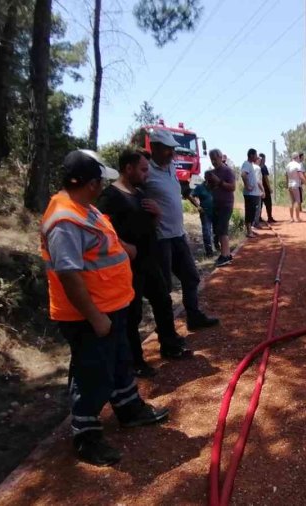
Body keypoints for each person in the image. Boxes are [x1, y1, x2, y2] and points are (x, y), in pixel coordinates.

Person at [41, 149, 169, 466]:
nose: (103, 187)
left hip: (113, 306)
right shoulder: (64, 220)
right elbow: (69, 275)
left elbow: (106, 242)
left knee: (120, 361)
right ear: (91, 183)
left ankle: (129, 409)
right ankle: (86, 435)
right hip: (89, 316)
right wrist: (96, 318)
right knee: (92, 373)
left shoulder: (86, 209)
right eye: (100, 181)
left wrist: (127, 249)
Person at [97, 149, 192, 378]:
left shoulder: (139, 194)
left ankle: (170, 344)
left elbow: (149, 225)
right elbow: (102, 232)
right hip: (127, 266)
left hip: (149, 260)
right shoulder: (110, 198)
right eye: (142, 169)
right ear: (128, 168)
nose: (146, 174)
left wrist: (157, 215)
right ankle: (136, 361)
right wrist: (124, 247)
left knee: (163, 300)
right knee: (133, 314)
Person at [142, 128, 219, 331]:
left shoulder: (171, 167)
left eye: (173, 149)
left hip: (178, 234)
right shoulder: (146, 172)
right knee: (163, 288)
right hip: (160, 238)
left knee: (191, 277)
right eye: (167, 149)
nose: (172, 153)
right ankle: (166, 332)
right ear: (155, 148)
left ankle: (193, 317)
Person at [205, 148, 235, 268]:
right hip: (216, 204)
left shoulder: (227, 171)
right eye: (211, 159)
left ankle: (225, 256)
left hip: (226, 204)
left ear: (220, 157)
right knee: (219, 230)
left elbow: (232, 187)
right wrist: (208, 181)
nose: (213, 162)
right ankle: (226, 254)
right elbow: (210, 189)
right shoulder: (212, 172)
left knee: (223, 229)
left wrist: (219, 182)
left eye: (215, 159)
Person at [190, 174, 215, 256]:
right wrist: (198, 206)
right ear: (206, 179)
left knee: (217, 231)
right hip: (205, 213)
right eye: (210, 181)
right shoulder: (200, 187)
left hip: (216, 212)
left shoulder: (215, 186)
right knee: (207, 232)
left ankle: (218, 247)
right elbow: (191, 196)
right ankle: (209, 252)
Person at [240, 148, 263, 237]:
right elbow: (243, 174)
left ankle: (250, 230)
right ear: (251, 155)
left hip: (253, 194)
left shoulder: (250, 165)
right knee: (249, 212)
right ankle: (249, 232)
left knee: (252, 213)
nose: (257, 157)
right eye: (255, 155)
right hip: (250, 194)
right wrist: (247, 185)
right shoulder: (246, 164)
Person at [285, 151, 306, 222]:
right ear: (297, 157)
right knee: (297, 201)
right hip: (296, 185)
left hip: (290, 184)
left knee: (291, 202)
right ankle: (297, 218)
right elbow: (301, 176)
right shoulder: (298, 165)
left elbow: (286, 175)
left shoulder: (288, 165)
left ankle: (291, 218)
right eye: (298, 157)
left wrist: (287, 184)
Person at [259, 153, 276, 223]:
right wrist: (269, 188)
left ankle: (259, 218)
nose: (264, 160)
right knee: (268, 203)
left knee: (259, 204)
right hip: (265, 188)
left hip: (258, 188)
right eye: (264, 159)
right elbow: (266, 178)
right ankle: (269, 217)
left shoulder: (256, 166)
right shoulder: (263, 167)